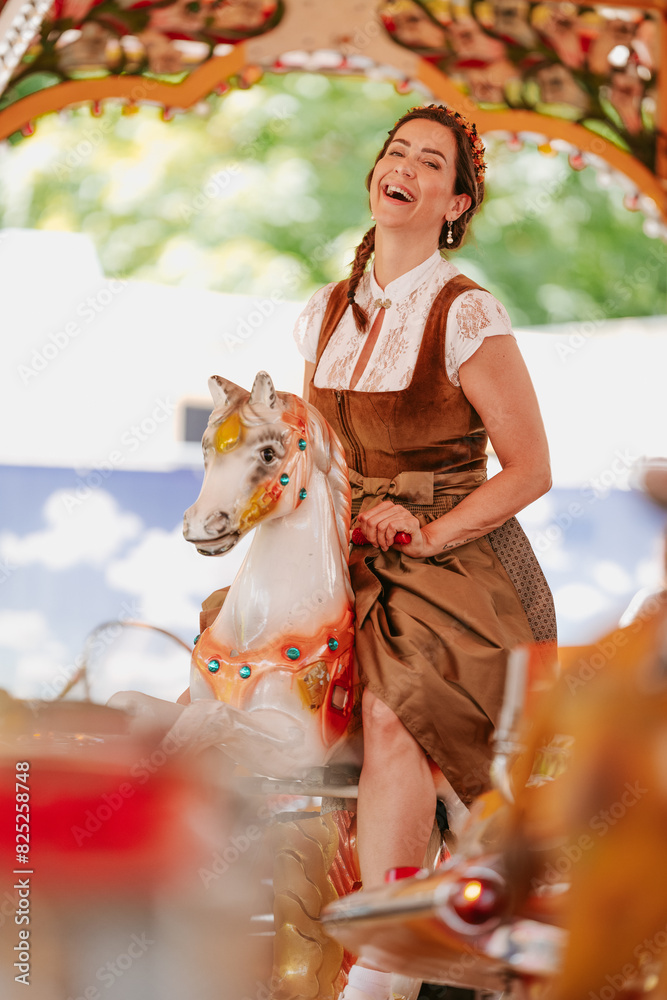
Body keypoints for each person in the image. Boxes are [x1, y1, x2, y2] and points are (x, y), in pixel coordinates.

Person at [293, 104, 557, 1000]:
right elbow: (316, 457)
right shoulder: (321, 313)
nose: (402, 166)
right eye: (394, 151)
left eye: (429, 162)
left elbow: (530, 470)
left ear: (453, 202)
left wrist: (428, 529)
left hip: (458, 559)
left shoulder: (465, 310)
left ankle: (384, 965)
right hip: (346, 548)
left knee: (391, 711)